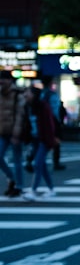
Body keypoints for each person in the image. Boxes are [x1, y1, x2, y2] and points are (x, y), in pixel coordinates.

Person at [21, 86, 59, 201]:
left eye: (27, 92)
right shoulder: (28, 107)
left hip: (45, 139)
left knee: (38, 164)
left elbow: (50, 124)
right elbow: (27, 124)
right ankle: (51, 189)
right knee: (41, 165)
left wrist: (51, 139)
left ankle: (33, 190)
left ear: (34, 95)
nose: (25, 95)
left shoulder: (43, 107)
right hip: (35, 139)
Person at [0, 70, 26, 198]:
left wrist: (16, 133)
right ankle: (12, 178)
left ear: (10, 81)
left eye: (3, 80)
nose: (1, 82)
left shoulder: (17, 95)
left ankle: (19, 186)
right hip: (2, 131)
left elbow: (20, 116)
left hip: (14, 132)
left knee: (17, 160)